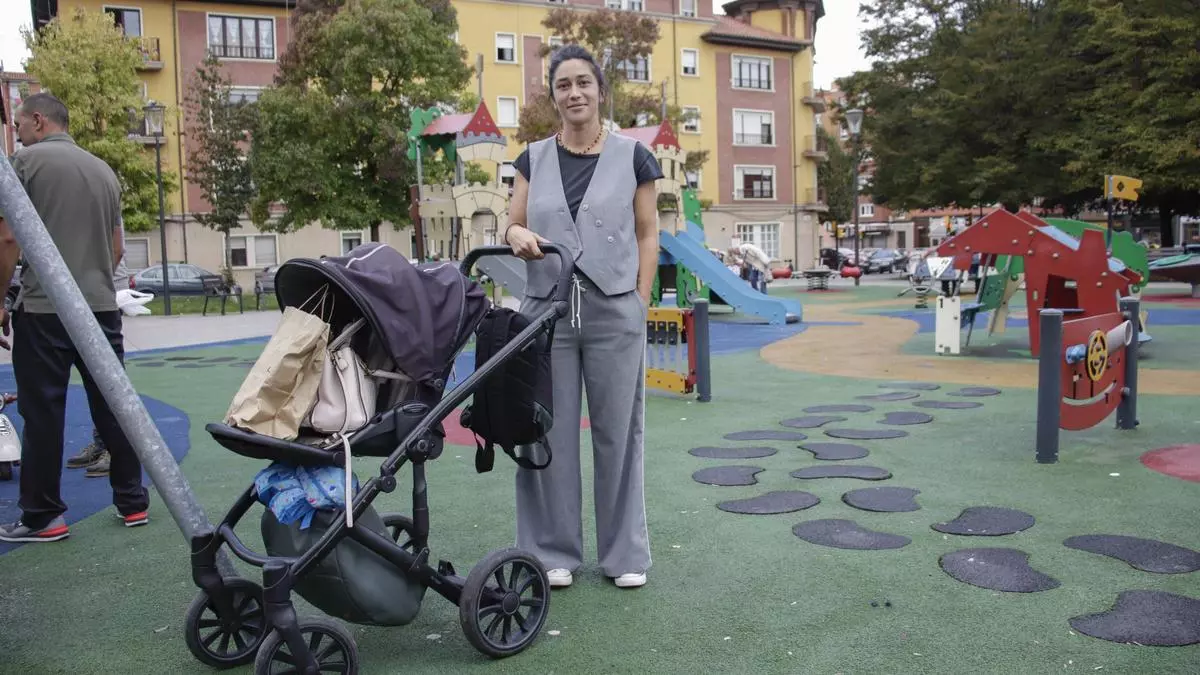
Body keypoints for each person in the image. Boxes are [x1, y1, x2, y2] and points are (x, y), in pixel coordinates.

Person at [504, 44, 662, 589]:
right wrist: (516, 234)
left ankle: (624, 556)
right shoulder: (531, 158)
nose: (574, 93)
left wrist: (639, 299)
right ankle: (552, 551)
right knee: (547, 429)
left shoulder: (633, 156)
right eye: (563, 85)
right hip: (546, 313)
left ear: (599, 91)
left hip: (614, 307)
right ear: (553, 97)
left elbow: (648, 233)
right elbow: (512, 225)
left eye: (583, 83)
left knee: (619, 433)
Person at [0, 92, 150, 544]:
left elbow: (8, 239)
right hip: (101, 304)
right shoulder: (104, 171)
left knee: (42, 410)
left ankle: (44, 515)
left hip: (46, 307)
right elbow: (118, 247)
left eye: (21, 124)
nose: (20, 133)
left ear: (38, 121)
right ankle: (132, 501)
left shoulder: (22, 165)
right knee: (112, 402)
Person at [67, 217, 131, 478]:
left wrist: (100, 286)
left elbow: (117, 248)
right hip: (86, 291)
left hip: (101, 293)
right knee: (95, 377)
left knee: (107, 379)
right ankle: (104, 441)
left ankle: (115, 449)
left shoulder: (98, 184)